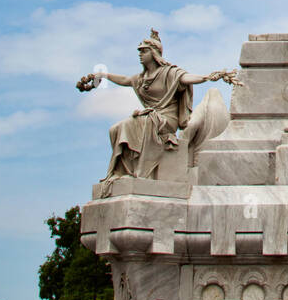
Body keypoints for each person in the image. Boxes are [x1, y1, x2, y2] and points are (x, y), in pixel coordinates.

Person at [77, 30, 239, 194]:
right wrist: (103, 75)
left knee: (135, 123)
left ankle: (139, 172)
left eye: (144, 51)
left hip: (166, 119)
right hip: (150, 116)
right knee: (115, 129)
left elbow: (186, 78)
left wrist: (207, 77)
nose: (140, 54)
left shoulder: (169, 72)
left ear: (154, 53)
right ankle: (123, 171)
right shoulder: (141, 78)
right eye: (139, 51)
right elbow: (125, 80)